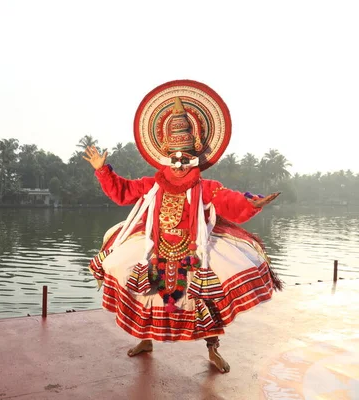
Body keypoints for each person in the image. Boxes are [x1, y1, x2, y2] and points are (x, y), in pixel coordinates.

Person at [84, 81, 282, 373]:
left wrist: (252, 203)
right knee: (147, 297)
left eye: (185, 159)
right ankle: (146, 339)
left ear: (195, 158)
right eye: (174, 159)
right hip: (155, 248)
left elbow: (230, 201)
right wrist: (103, 169)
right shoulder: (152, 184)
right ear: (165, 155)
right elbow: (122, 192)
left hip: (194, 252)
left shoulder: (206, 187)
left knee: (204, 303)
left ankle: (213, 349)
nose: (178, 165)